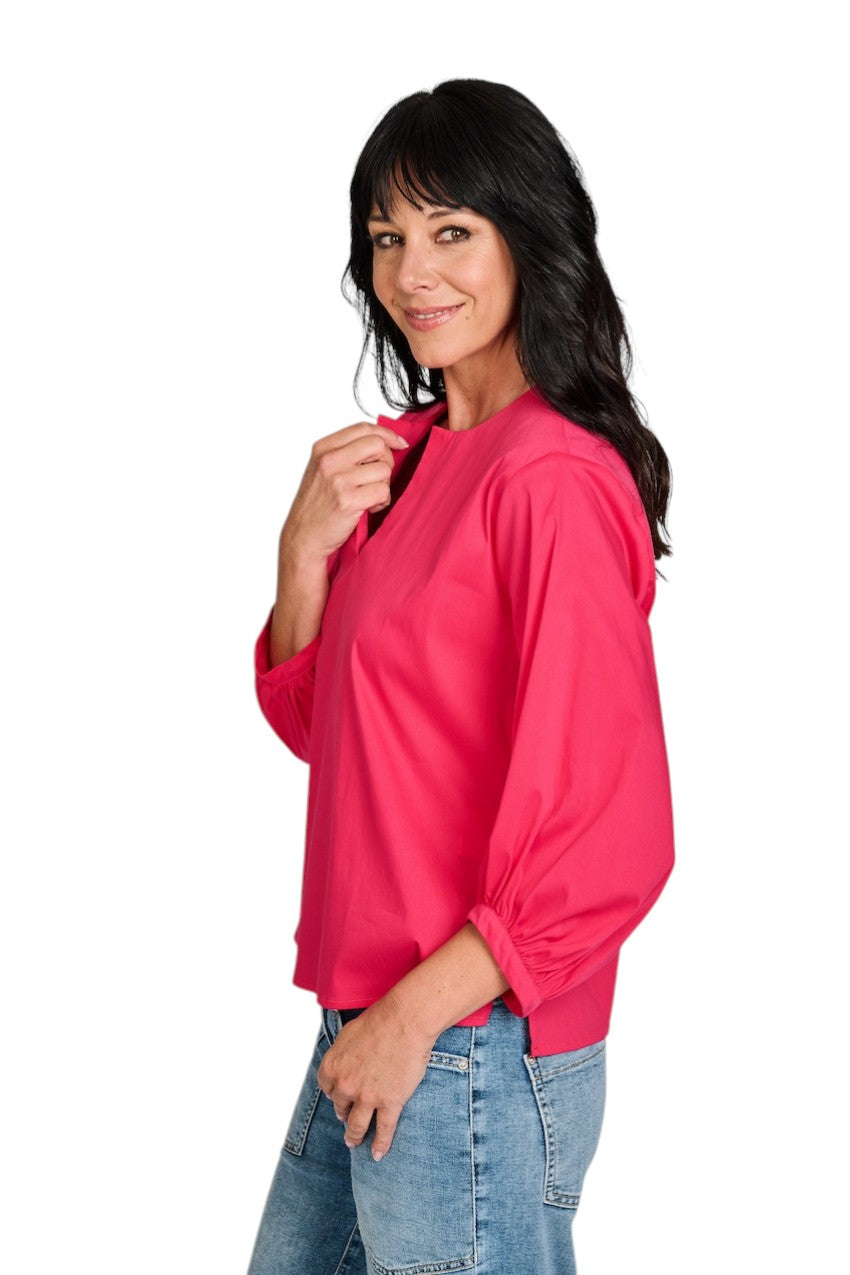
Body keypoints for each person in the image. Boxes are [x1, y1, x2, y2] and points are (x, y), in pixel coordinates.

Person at [245, 78, 675, 1275]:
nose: (412, 272)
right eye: (386, 238)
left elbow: (610, 835)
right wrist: (301, 556)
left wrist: (414, 1018)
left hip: (463, 1035)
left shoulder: (551, 479)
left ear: (527, 239)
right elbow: (341, 734)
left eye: (451, 231)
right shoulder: (409, 459)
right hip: (375, 1014)